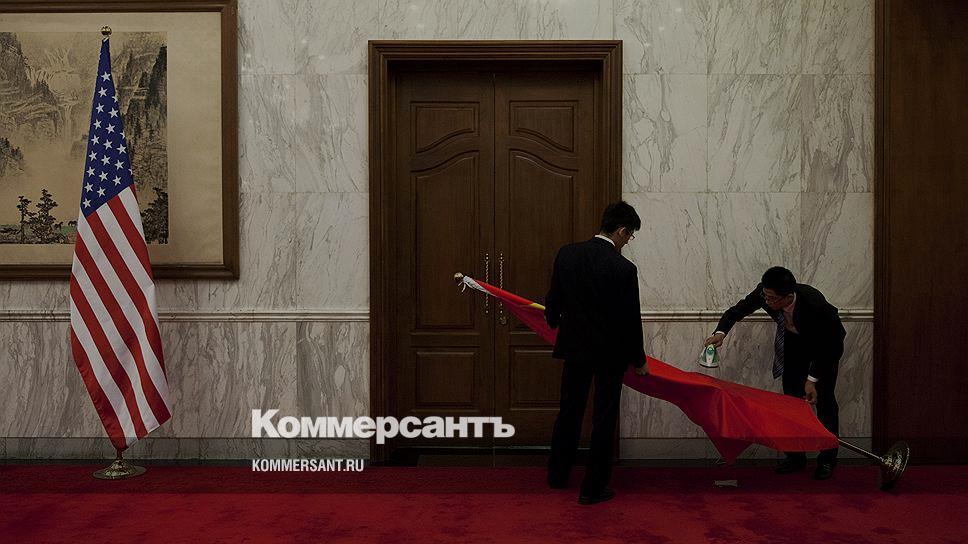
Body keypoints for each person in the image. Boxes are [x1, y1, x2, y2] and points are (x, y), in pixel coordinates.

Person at [544, 201, 649, 505]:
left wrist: (552, 320)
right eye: (629, 236)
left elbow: (553, 302)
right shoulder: (623, 268)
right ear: (622, 230)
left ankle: (557, 475)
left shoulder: (567, 254)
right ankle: (592, 488)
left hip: (575, 348)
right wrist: (639, 360)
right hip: (610, 354)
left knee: (569, 411)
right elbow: (631, 320)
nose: (627, 242)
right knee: (604, 417)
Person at [704, 266, 846, 480]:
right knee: (790, 404)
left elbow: (833, 345)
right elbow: (737, 311)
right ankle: (795, 458)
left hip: (823, 351)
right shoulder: (765, 293)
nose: (767, 301)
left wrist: (812, 379)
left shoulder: (815, 304)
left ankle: (827, 460)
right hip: (794, 350)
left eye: (772, 298)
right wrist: (720, 332)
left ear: (788, 296)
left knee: (825, 403)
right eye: (766, 296)